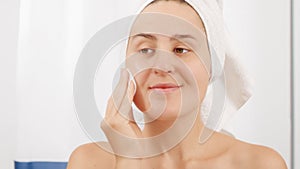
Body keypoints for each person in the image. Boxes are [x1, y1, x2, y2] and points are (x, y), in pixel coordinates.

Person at [67, 0, 288, 168]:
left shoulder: (259, 164)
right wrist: (129, 158)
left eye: (181, 49)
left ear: (212, 66)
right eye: (145, 50)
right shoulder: (88, 162)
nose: (162, 65)